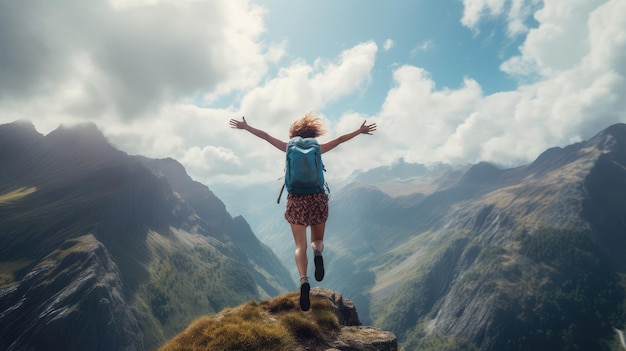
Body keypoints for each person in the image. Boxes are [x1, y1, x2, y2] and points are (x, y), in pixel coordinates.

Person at [229, 112, 376, 311]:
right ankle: (318, 253)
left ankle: (304, 280)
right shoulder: (317, 148)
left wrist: (247, 127)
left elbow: (265, 136)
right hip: (317, 197)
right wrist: (360, 131)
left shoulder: (289, 146)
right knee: (317, 241)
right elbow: (340, 140)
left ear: (294, 134)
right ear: (313, 133)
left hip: (296, 199)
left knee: (300, 245)